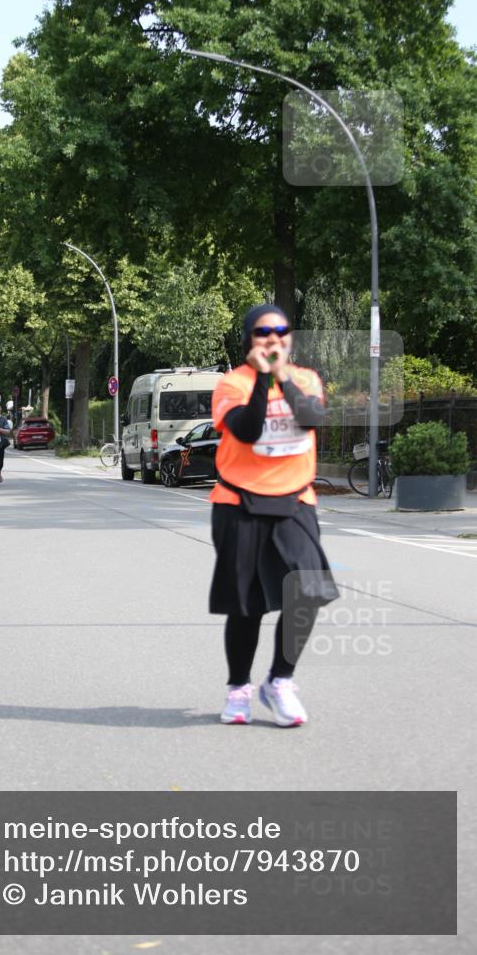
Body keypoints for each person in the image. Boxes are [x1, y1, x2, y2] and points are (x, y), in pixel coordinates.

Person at [210, 304, 338, 727]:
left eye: (281, 331)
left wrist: (282, 376)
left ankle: (279, 681)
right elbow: (247, 430)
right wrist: (263, 378)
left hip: (295, 500)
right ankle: (239, 690)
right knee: (246, 604)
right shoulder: (232, 384)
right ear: (250, 339)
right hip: (238, 503)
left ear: (290, 338)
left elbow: (313, 417)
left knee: (309, 589)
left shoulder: (307, 380)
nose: (273, 338)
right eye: (263, 332)